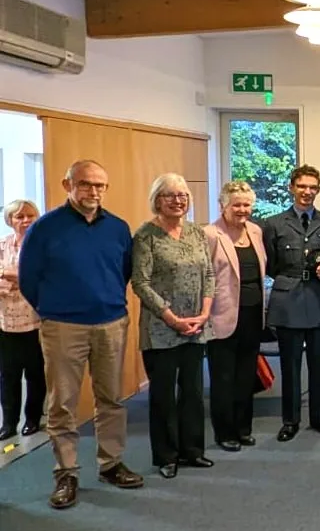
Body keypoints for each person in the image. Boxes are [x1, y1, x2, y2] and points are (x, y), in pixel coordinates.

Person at [19, 160, 143, 508]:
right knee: (63, 403)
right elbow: (29, 278)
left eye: (100, 186)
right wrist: (53, 310)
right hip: (63, 326)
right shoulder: (45, 228)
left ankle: (111, 463)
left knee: (112, 399)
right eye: (86, 184)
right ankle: (66, 473)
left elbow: (124, 271)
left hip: (110, 322)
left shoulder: (118, 228)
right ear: (68, 184)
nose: (94, 192)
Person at [131, 174, 215, 479]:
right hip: (161, 328)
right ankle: (166, 455)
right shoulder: (145, 235)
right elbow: (140, 282)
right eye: (170, 195)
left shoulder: (196, 232)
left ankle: (193, 450)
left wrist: (204, 313)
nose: (178, 200)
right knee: (164, 394)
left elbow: (209, 274)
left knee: (192, 391)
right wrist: (171, 318)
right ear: (157, 200)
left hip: (195, 326)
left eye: (182, 195)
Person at [262, 164, 320, 442]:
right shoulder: (273, 224)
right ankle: (290, 420)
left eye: (312, 187)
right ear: (291, 188)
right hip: (288, 300)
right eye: (302, 186)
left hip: (319, 299)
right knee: (290, 365)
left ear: (318, 190)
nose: (307, 192)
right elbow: (271, 265)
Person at [204, 182, 267, 452]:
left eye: (246, 204)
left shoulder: (255, 231)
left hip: (253, 315)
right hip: (222, 315)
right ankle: (225, 432)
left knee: (245, 376)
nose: (242, 210)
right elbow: (203, 278)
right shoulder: (210, 234)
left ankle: (243, 428)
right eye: (236, 205)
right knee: (223, 378)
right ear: (223, 206)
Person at [0, 199, 43, 441]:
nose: (25, 220)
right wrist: (15, 281)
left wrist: (7, 275)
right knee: (8, 376)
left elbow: (35, 278)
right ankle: (8, 423)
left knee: (35, 374)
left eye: (30, 216)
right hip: (5, 322)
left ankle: (33, 419)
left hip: (35, 321)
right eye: (19, 217)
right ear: (10, 220)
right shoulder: (2, 244)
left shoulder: (40, 246)